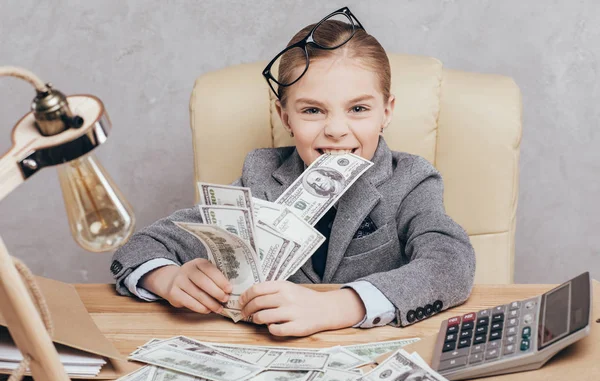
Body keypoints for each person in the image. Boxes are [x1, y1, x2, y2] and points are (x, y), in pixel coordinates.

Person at [109, 6, 475, 337]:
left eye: (358, 109)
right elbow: (140, 247)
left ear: (386, 112)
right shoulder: (260, 176)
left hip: (375, 351)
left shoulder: (411, 180)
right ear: (286, 118)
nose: (335, 129)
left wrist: (339, 305)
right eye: (312, 110)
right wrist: (168, 278)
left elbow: (450, 264)